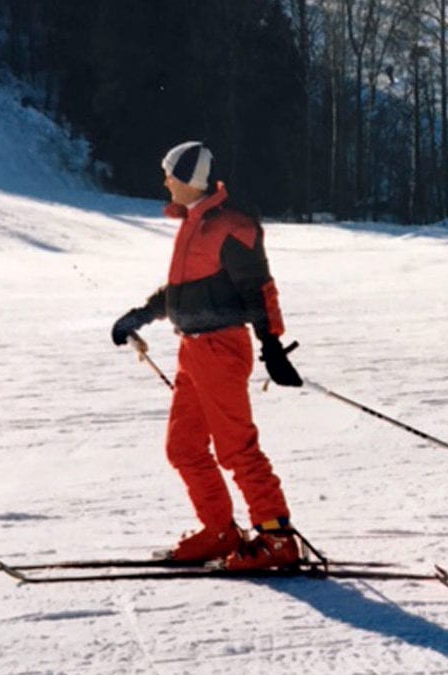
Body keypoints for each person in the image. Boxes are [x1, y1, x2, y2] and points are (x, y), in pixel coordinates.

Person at [111, 141, 303, 570]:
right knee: (183, 447)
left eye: (169, 174)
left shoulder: (230, 225)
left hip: (220, 348)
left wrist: (271, 345)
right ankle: (219, 530)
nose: (164, 181)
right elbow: (184, 291)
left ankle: (276, 539)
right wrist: (140, 315)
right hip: (192, 348)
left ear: (186, 179)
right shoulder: (194, 222)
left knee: (237, 449)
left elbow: (259, 289)